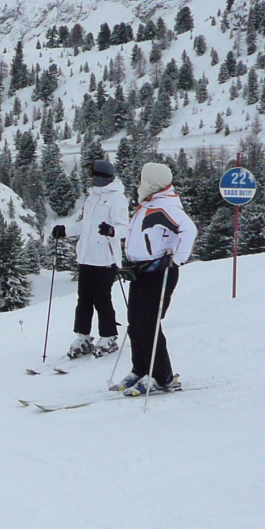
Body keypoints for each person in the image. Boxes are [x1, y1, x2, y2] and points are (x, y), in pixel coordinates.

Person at [113, 162, 198, 396]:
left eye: (143, 178)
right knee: (135, 322)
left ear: (153, 181)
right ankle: (140, 369)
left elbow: (188, 230)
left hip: (160, 271)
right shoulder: (149, 204)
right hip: (141, 271)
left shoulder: (164, 206)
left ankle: (163, 377)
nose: (140, 182)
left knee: (148, 324)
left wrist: (177, 260)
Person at [68, 157, 131, 360]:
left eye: (92, 174)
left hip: (106, 258)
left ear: (101, 177)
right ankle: (83, 337)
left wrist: (112, 230)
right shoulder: (92, 197)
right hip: (86, 256)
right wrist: (65, 231)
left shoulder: (117, 198)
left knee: (102, 299)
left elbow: (124, 228)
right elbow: (85, 225)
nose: (89, 178)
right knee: (83, 299)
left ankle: (109, 336)